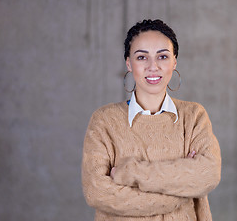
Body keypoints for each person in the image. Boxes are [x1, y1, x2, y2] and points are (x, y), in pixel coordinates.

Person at [82, 19, 221, 221]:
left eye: (162, 56)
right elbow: (97, 192)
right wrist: (181, 192)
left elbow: (208, 174)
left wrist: (131, 172)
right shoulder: (104, 121)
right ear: (129, 63)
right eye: (141, 57)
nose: (153, 66)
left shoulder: (193, 117)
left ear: (175, 61)